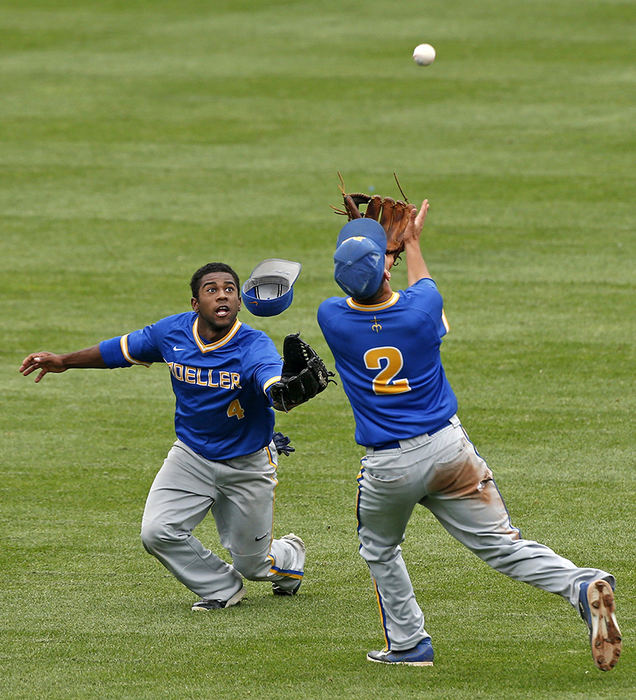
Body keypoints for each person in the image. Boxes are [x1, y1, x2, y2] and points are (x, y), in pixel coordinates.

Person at [317, 204, 622, 670]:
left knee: (379, 548)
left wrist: (379, 262)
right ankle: (580, 585)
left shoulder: (331, 317)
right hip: (448, 451)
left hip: (389, 468)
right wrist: (412, 245)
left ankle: (409, 644)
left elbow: (369, 293)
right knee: (502, 544)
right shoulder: (422, 313)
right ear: (385, 269)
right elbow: (423, 292)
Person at [20, 262, 307, 610]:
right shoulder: (172, 332)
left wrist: (281, 390)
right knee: (156, 532)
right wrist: (65, 361)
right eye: (211, 289)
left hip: (246, 462)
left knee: (254, 565)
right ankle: (221, 587)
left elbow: (269, 376)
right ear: (195, 303)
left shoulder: (253, 344)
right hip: (192, 455)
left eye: (230, 289)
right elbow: (118, 351)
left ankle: (290, 558)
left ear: (240, 301)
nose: (222, 295)